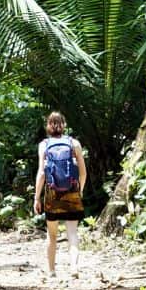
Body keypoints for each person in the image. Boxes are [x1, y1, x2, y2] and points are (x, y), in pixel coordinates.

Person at [33, 111, 87, 278]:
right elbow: (83, 172)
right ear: (64, 125)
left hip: (52, 194)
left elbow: (42, 173)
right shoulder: (74, 143)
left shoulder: (44, 145)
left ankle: (51, 271)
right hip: (72, 191)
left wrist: (37, 197)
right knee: (72, 232)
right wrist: (80, 190)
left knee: (52, 235)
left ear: (48, 126)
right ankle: (74, 268)